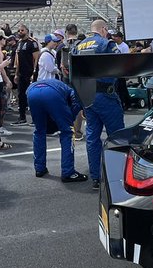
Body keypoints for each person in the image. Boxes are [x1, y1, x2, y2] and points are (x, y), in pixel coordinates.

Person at [72, 18, 125, 190]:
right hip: (106, 95)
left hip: (87, 96)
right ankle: (117, 174)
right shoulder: (106, 43)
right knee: (116, 136)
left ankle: (96, 177)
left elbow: (70, 71)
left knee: (92, 137)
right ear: (103, 29)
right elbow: (119, 66)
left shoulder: (78, 46)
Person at [28, 77, 86, 182]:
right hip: (51, 94)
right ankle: (68, 172)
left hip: (31, 91)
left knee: (39, 131)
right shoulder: (69, 90)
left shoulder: (59, 85)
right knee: (67, 132)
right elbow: (76, 103)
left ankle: (39, 168)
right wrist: (69, 119)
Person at [11, 24, 39, 125]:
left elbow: (36, 58)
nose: (20, 32)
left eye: (22, 30)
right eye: (19, 31)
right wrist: (16, 74)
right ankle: (22, 117)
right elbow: (18, 59)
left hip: (30, 73)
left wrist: (34, 72)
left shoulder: (32, 43)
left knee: (32, 96)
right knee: (21, 95)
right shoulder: (19, 43)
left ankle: (35, 119)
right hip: (21, 73)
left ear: (27, 31)